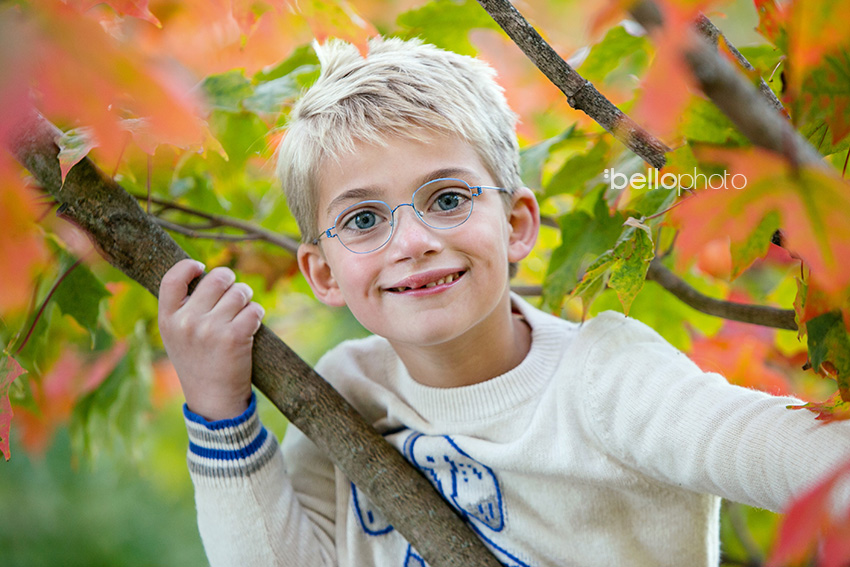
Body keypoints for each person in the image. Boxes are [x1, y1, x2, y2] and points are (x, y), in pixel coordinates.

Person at [158, 37, 850, 567]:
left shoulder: (606, 381)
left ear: (517, 224)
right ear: (323, 272)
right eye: (364, 219)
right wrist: (218, 413)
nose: (414, 241)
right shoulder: (347, 390)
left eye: (448, 198)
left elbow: (781, 452)